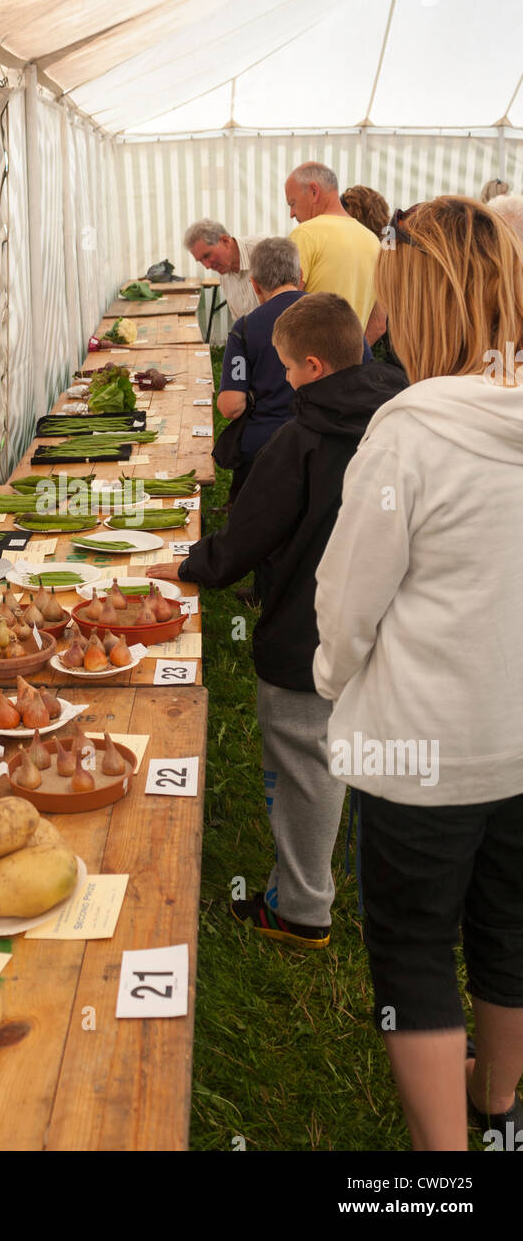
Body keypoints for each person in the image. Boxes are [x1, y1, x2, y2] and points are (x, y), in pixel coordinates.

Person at [313, 197, 523, 1151]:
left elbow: (350, 602)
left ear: (419, 301)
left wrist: (329, 673)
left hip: (422, 746)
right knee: (509, 931)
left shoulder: (410, 430)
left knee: (412, 950)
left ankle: (445, 1169)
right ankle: (500, 1108)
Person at [148, 294, 407, 948]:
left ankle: (300, 906)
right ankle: (326, 875)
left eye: (288, 368)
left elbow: (246, 539)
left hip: (309, 632)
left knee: (301, 760)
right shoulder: (397, 417)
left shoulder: (303, 440)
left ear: (314, 367)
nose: (284, 379)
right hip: (388, 625)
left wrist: (188, 567)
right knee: (335, 753)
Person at [216, 236, 304, 503]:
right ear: (300, 276)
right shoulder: (337, 315)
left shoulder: (244, 328)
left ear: (254, 285)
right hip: (327, 447)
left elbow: (231, 406)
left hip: (263, 449)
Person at [285, 163, 384, 344]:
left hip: (310, 363)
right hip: (353, 364)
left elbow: (285, 308)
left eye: (293, 203)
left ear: (314, 191)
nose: (291, 213)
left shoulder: (305, 234)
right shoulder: (373, 241)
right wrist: (352, 356)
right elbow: (378, 323)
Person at [183, 219, 271, 330]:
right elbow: (241, 321)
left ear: (225, 241)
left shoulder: (266, 249)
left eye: (207, 255)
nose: (207, 266)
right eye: (200, 260)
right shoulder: (224, 271)